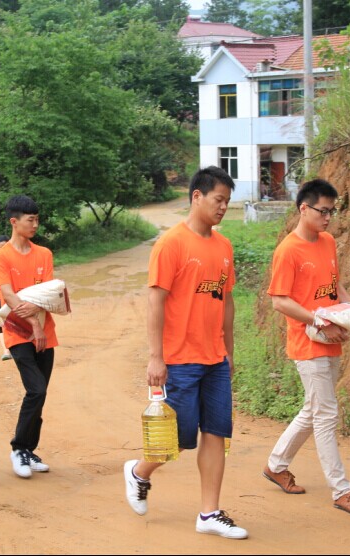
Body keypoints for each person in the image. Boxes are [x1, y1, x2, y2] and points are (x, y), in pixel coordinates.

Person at [123, 166, 248, 540]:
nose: (223, 207)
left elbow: (226, 302)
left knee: (216, 433)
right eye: (218, 199)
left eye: (227, 201)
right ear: (197, 197)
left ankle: (209, 513)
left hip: (214, 359)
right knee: (176, 437)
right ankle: (138, 472)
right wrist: (155, 356)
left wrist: (229, 350)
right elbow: (156, 302)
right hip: (179, 358)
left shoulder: (223, 247)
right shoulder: (172, 243)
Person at [260, 178, 350, 515]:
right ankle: (342, 491)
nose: (328, 218)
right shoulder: (288, 250)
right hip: (307, 344)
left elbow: (334, 287)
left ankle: (276, 465)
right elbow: (280, 301)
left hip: (331, 339)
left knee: (314, 410)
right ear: (304, 209)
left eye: (332, 212)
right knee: (326, 414)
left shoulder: (327, 242)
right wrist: (317, 320)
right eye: (322, 211)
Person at [0, 195, 57, 479]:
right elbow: (7, 294)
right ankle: (18, 448)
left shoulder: (44, 254)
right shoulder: (0, 257)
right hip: (17, 332)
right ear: (14, 222)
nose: (35, 224)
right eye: (31, 220)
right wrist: (33, 324)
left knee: (40, 394)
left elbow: (49, 293)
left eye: (37, 219)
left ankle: (29, 450)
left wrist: (40, 323)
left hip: (46, 333)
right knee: (36, 389)